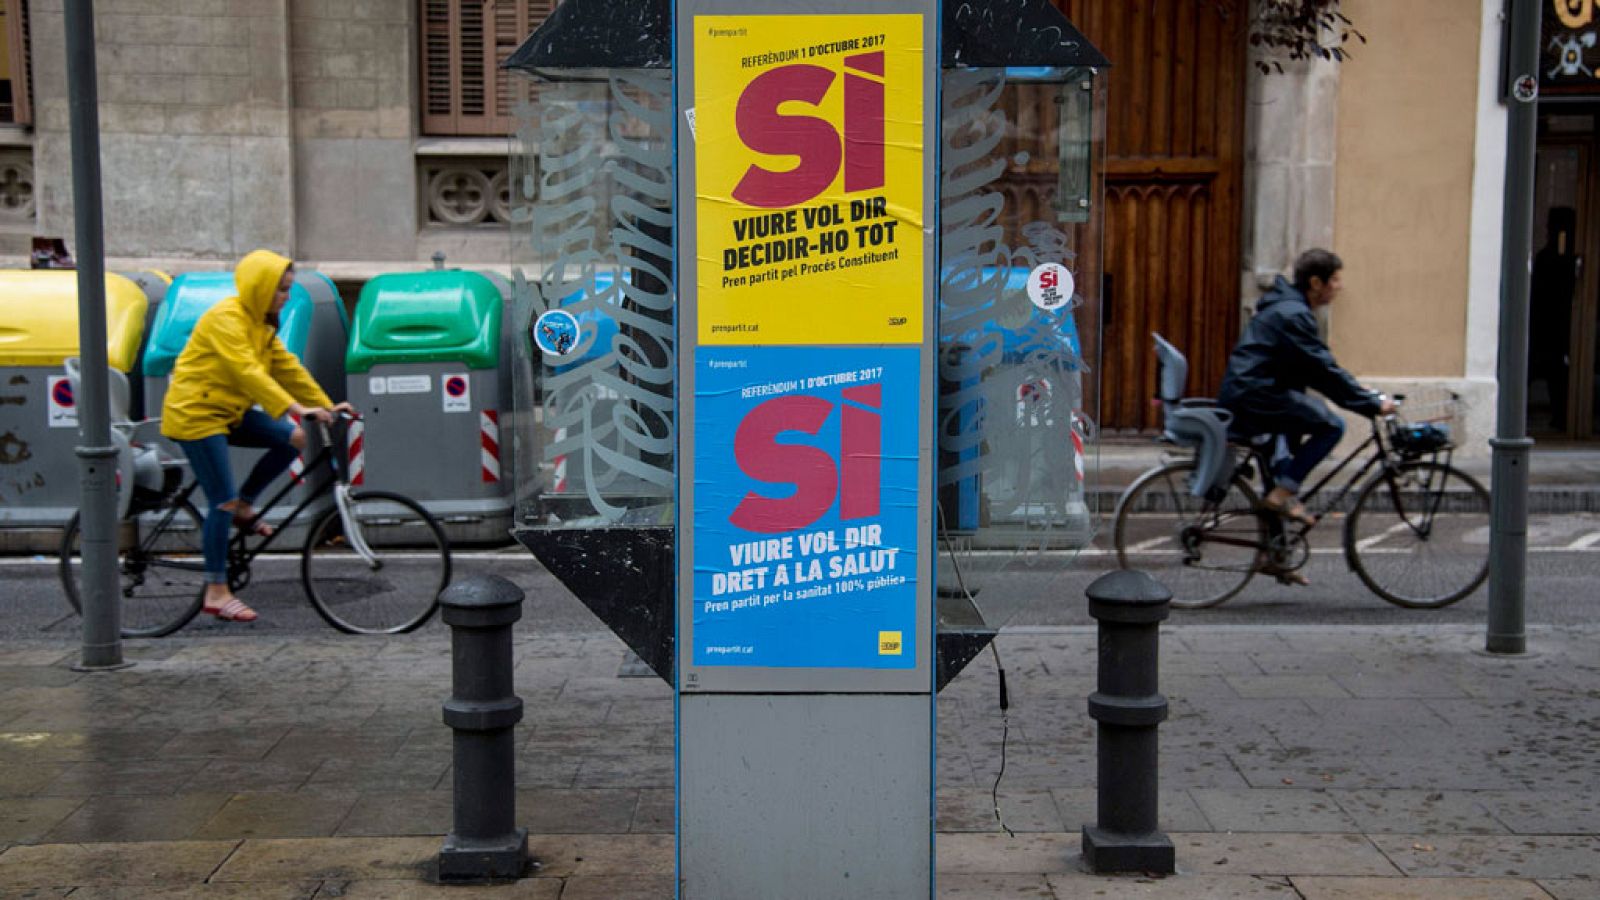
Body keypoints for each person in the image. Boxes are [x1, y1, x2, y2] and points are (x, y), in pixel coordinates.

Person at [161, 250, 352, 622]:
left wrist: (326, 406)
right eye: (280, 290)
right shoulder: (226, 320)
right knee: (221, 501)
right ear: (260, 288)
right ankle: (216, 590)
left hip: (228, 411)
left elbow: (286, 368)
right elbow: (248, 372)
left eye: (288, 289)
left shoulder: (261, 325)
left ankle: (247, 504)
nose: (285, 296)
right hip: (196, 414)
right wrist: (295, 407)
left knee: (293, 438)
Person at [1218, 249, 1394, 537]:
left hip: (1253, 392)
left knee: (1280, 470)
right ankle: (1284, 495)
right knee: (1331, 426)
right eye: (1334, 280)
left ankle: (1274, 553)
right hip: (1257, 395)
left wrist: (1354, 389)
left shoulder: (1289, 308)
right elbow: (1321, 370)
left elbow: (1316, 366)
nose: (1340, 286)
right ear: (1316, 283)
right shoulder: (1294, 315)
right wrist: (1370, 404)